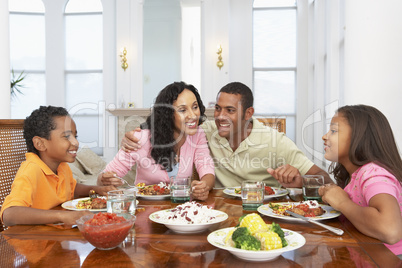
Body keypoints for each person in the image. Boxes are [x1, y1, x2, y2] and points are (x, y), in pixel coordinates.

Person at [121, 82, 330, 188]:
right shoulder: (206, 131)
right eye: (218, 109)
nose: (220, 117)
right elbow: (171, 124)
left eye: (230, 111)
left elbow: (325, 180)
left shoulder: (276, 142)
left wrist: (301, 180)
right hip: (218, 212)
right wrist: (137, 134)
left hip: (263, 213)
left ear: (249, 113)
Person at [0, 106, 116, 226]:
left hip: (56, 236)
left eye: (75, 137)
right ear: (40, 144)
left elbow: (72, 188)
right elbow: (9, 214)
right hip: (34, 239)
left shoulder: (62, 166)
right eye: (66, 137)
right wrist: (61, 216)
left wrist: (97, 189)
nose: (76, 142)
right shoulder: (31, 170)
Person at [98, 82, 215, 200]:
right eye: (182, 110)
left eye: (195, 107)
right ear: (168, 114)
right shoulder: (141, 138)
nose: (193, 115)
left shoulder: (197, 134)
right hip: (145, 208)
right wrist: (106, 179)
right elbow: (103, 178)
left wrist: (204, 185)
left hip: (179, 208)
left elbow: (206, 168)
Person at [319, 105, 402, 257]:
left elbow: (391, 230)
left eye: (334, 131)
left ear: (360, 137)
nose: (325, 136)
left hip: (387, 260)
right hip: (366, 254)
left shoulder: (374, 174)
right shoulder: (356, 174)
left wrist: (343, 203)